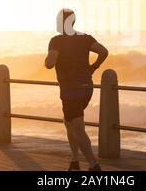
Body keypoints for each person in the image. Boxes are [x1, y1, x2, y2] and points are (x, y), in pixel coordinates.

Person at [45, 9, 109, 171]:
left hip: (70, 91)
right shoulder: (86, 38)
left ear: (61, 22)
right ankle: (74, 160)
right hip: (87, 88)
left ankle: (93, 165)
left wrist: (48, 60)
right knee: (69, 123)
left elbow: (50, 63)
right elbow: (103, 51)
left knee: (78, 128)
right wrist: (94, 67)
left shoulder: (56, 41)